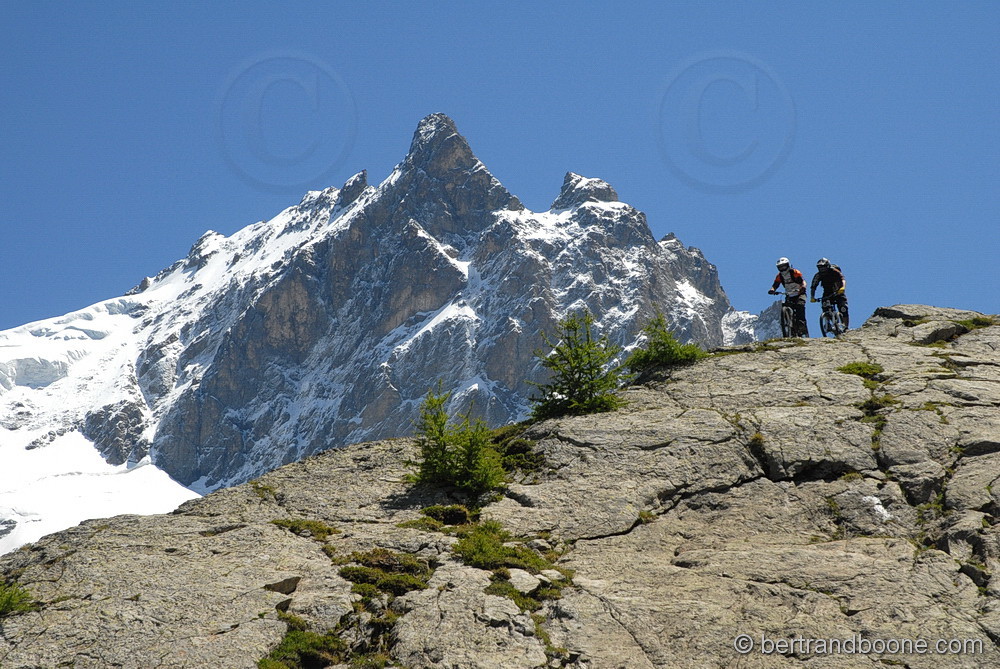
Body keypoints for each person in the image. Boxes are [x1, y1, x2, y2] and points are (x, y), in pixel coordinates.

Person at [768, 257, 809, 337]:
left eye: (783, 266)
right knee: (785, 307)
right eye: (780, 267)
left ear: (787, 265)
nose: (782, 269)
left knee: (800, 306)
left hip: (799, 293)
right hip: (789, 294)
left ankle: (802, 327)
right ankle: (791, 329)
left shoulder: (795, 272)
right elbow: (775, 284)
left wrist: (803, 287)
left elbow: (803, 281)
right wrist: (772, 290)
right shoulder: (779, 276)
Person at [810, 258, 849, 328]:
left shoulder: (834, 271)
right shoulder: (818, 275)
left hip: (838, 292)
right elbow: (813, 286)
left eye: (823, 267)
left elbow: (842, 279)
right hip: (827, 293)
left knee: (843, 308)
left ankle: (846, 327)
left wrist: (842, 288)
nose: (822, 270)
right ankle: (829, 323)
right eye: (820, 268)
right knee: (825, 307)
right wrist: (812, 297)